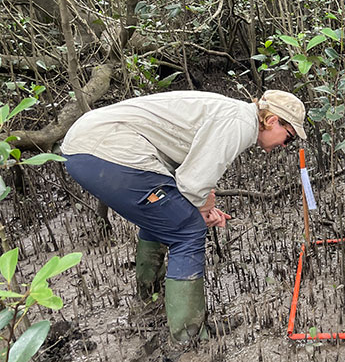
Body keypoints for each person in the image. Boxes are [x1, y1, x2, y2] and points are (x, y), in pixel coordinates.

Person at [61, 90, 307, 342]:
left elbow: (189, 180)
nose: (284, 146)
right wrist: (199, 211)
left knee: (166, 217)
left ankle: (151, 299)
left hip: (84, 149)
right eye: (288, 138)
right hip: (106, 150)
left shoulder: (233, 113)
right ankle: (188, 334)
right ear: (272, 120)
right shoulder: (240, 122)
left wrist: (200, 207)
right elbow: (193, 186)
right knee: (187, 230)